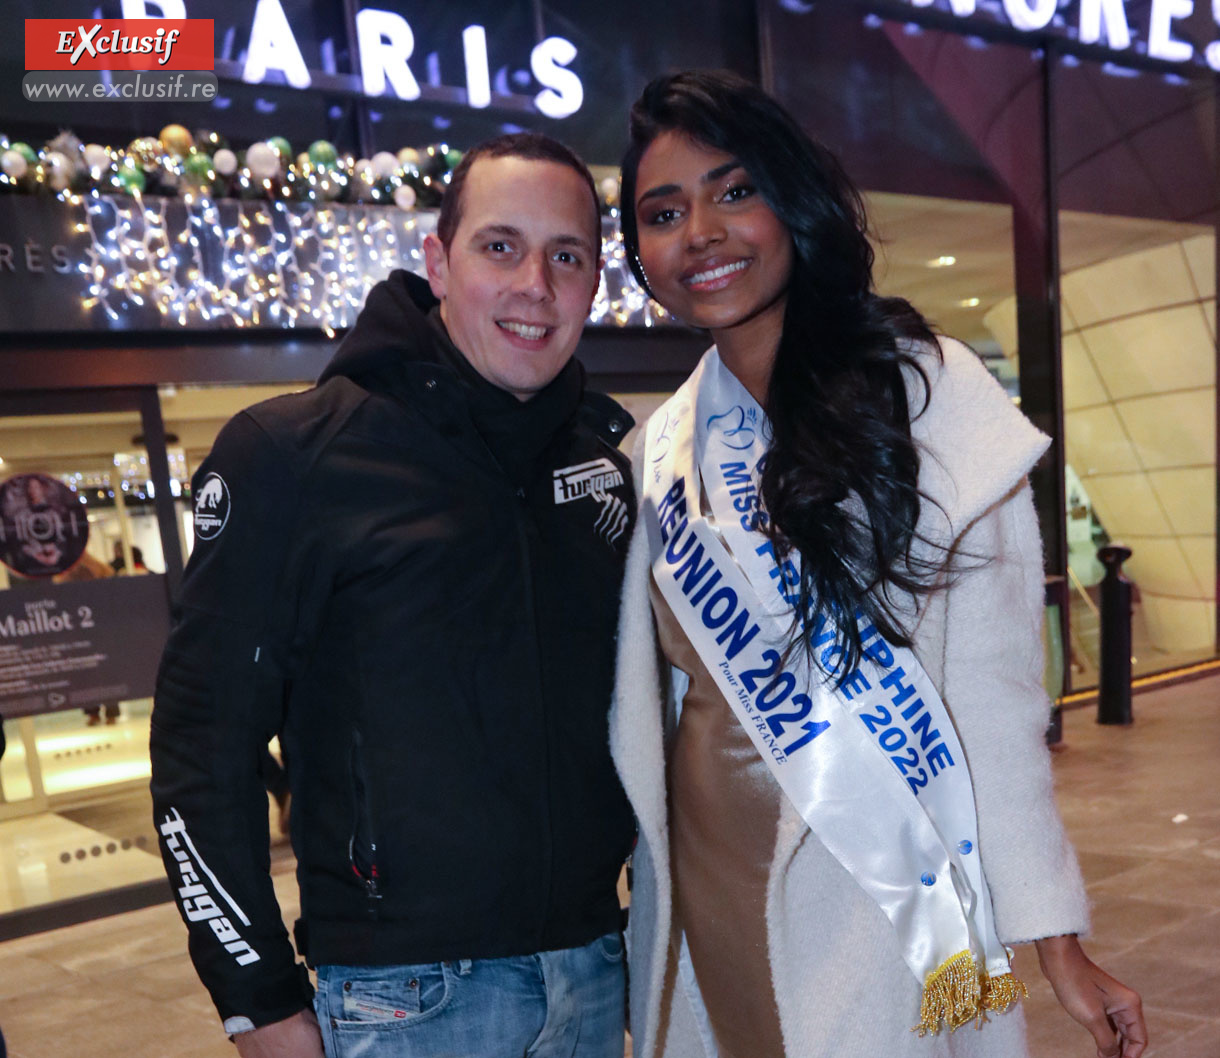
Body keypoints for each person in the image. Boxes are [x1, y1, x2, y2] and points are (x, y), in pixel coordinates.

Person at [609, 71, 1147, 1058]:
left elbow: (987, 696)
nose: (700, 231)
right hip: (699, 886)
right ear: (639, 249)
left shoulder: (923, 394)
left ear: (792, 201)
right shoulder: (659, 449)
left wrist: (1054, 940)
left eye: (734, 191)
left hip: (875, 892)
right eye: (662, 211)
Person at [150, 132, 637, 1058]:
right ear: (437, 262)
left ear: (593, 282)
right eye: (500, 245)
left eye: (566, 256)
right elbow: (199, 751)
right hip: (405, 999)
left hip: (591, 971)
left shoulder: (601, 471)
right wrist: (254, 996)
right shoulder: (295, 457)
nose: (535, 282)